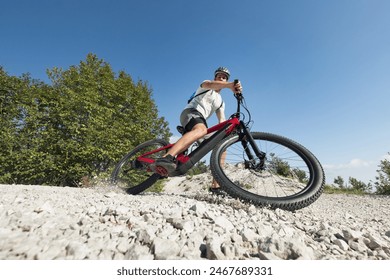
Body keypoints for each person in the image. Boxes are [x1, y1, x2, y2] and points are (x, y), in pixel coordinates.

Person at [151, 67, 242, 194]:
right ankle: (167, 157)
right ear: (215, 78)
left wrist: (229, 130)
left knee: (223, 145)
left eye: (225, 77)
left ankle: (216, 185)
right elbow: (210, 84)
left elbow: (222, 120)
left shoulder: (221, 102)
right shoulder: (206, 85)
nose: (222, 78)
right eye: (219, 76)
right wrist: (229, 85)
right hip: (190, 112)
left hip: (201, 121)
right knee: (201, 129)